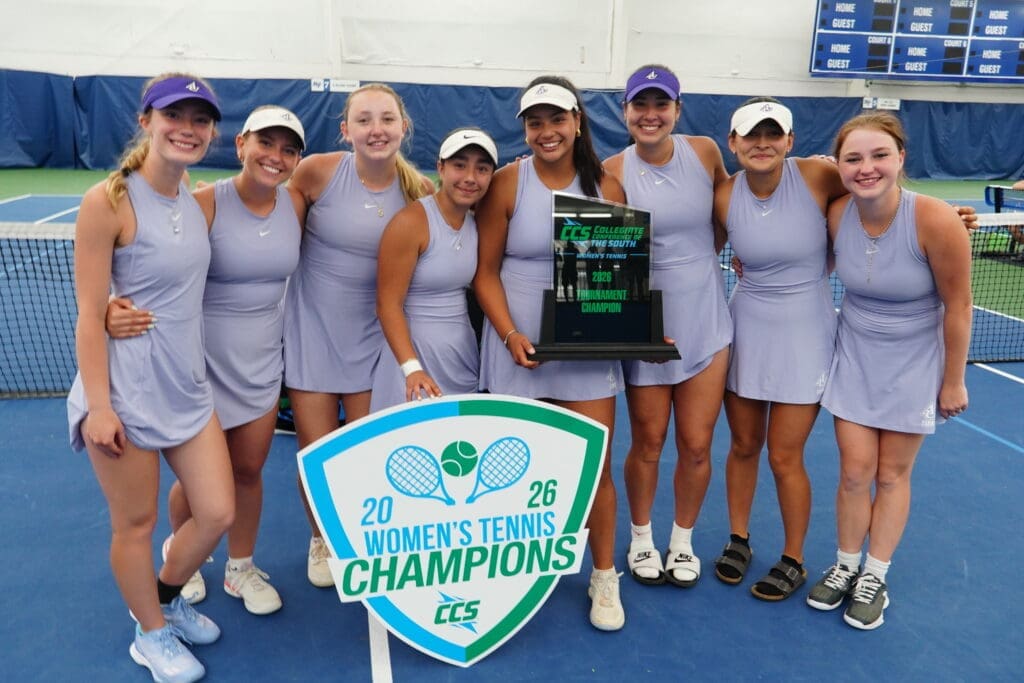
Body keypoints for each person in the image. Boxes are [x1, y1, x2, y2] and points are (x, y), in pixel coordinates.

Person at [105, 106, 308, 615]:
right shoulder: (203, 204)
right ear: (240, 144)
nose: (276, 157)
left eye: (289, 149)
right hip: (197, 364)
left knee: (248, 468)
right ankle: (184, 553)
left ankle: (240, 568)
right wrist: (112, 304)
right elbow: (151, 261)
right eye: (266, 143)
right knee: (200, 484)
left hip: (263, 362)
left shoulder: (298, 205)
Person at [66, 73, 234, 683]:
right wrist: (101, 409)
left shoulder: (193, 192)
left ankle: (164, 599)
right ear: (145, 121)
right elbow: (90, 314)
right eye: (174, 116)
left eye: (200, 120)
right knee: (134, 525)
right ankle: (150, 633)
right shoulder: (107, 200)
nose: (187, 130)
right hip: (125, 393)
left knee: (216, 512)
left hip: (187, 387)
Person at [472, 75, 627, 631]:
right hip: (516, 349)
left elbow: (618, 278)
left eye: (556, 120)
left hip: (586, 357)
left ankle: (604, 577)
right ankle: (511, 574)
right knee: (513, 467)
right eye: (535, 122)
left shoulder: (606, 186)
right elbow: (485, 273)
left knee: (595, 468)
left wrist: (630, 332)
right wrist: (513, 335)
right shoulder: (509, 183)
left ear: (577, 123)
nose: (546, 132)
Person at [810, 111, 971, 630]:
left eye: (879, 155)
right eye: (853, 159)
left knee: (891, 473)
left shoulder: (936, 220)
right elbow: (817, 261)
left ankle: (875, 576)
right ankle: (845, 566)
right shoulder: (836, 214)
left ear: (901, 158)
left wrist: (953, 379)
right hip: (854, 354)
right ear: (839, 166)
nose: (867, 168)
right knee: (855, 472)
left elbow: (960, 305)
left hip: (916, 362)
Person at [283, 83, 434, 586]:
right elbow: (266, 228)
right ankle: (321, 538)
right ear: (345, 130)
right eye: (364, 120)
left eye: (387, 119)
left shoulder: (421, 193)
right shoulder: (316, 173)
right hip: (313, 334)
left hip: (377, 342)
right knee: (317, 451)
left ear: (403, 128)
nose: (377, 129)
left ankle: (363, 534)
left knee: (367, 451)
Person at [709, 97, 848, 601]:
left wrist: (944, 213)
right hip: (745, 327)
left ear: (789, 141)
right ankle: (739, 538)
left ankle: (794, 557)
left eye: (773, 135)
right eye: (751, 135)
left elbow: (881, 196)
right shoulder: (723, 196)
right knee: (744, 446)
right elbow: (694, 253)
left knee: (786, 456)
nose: (762, 144)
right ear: (734, 143)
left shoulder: (817, 176)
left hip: (806, 333)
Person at [601, 65, 732, 588]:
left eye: (661, 105)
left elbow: (727, 212)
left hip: (707, 322)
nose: (650, 115)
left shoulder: (705, 153)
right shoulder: (611, 171)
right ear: (626, 112)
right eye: (640, 105)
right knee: (649, 442)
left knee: (697, 445)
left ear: (677, 110)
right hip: (647, 330)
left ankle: (681, 542)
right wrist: (642, 329)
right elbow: (609, 261)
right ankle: (640, 539)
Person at [371, 128, 497, 410]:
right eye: (459, 165)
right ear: (440, 167)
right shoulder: (410, 222)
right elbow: (387, 304)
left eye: (482, 168)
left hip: (462, 361)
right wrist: (411, 368)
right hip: (413, 367)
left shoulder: (478, 223)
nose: (469, 177)